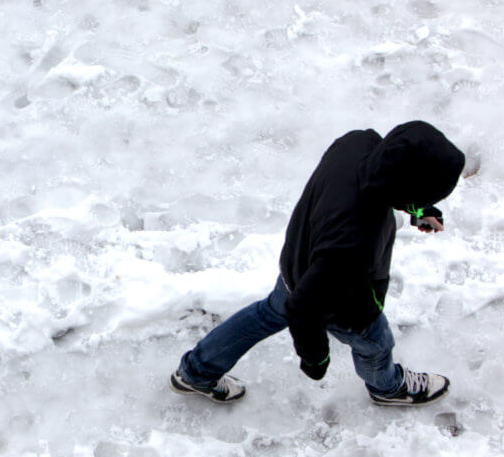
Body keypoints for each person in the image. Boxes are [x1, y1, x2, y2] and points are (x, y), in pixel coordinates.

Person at [170, 120, 465, 406]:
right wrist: (316, 359)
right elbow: (305, 309)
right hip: (345, 305)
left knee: (267, 313)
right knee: (376, 345)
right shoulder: (354, 241)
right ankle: (387, 387)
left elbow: (383, 181)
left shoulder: (359, 143)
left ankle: (196, 372)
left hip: (298, 263)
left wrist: (417, 208)